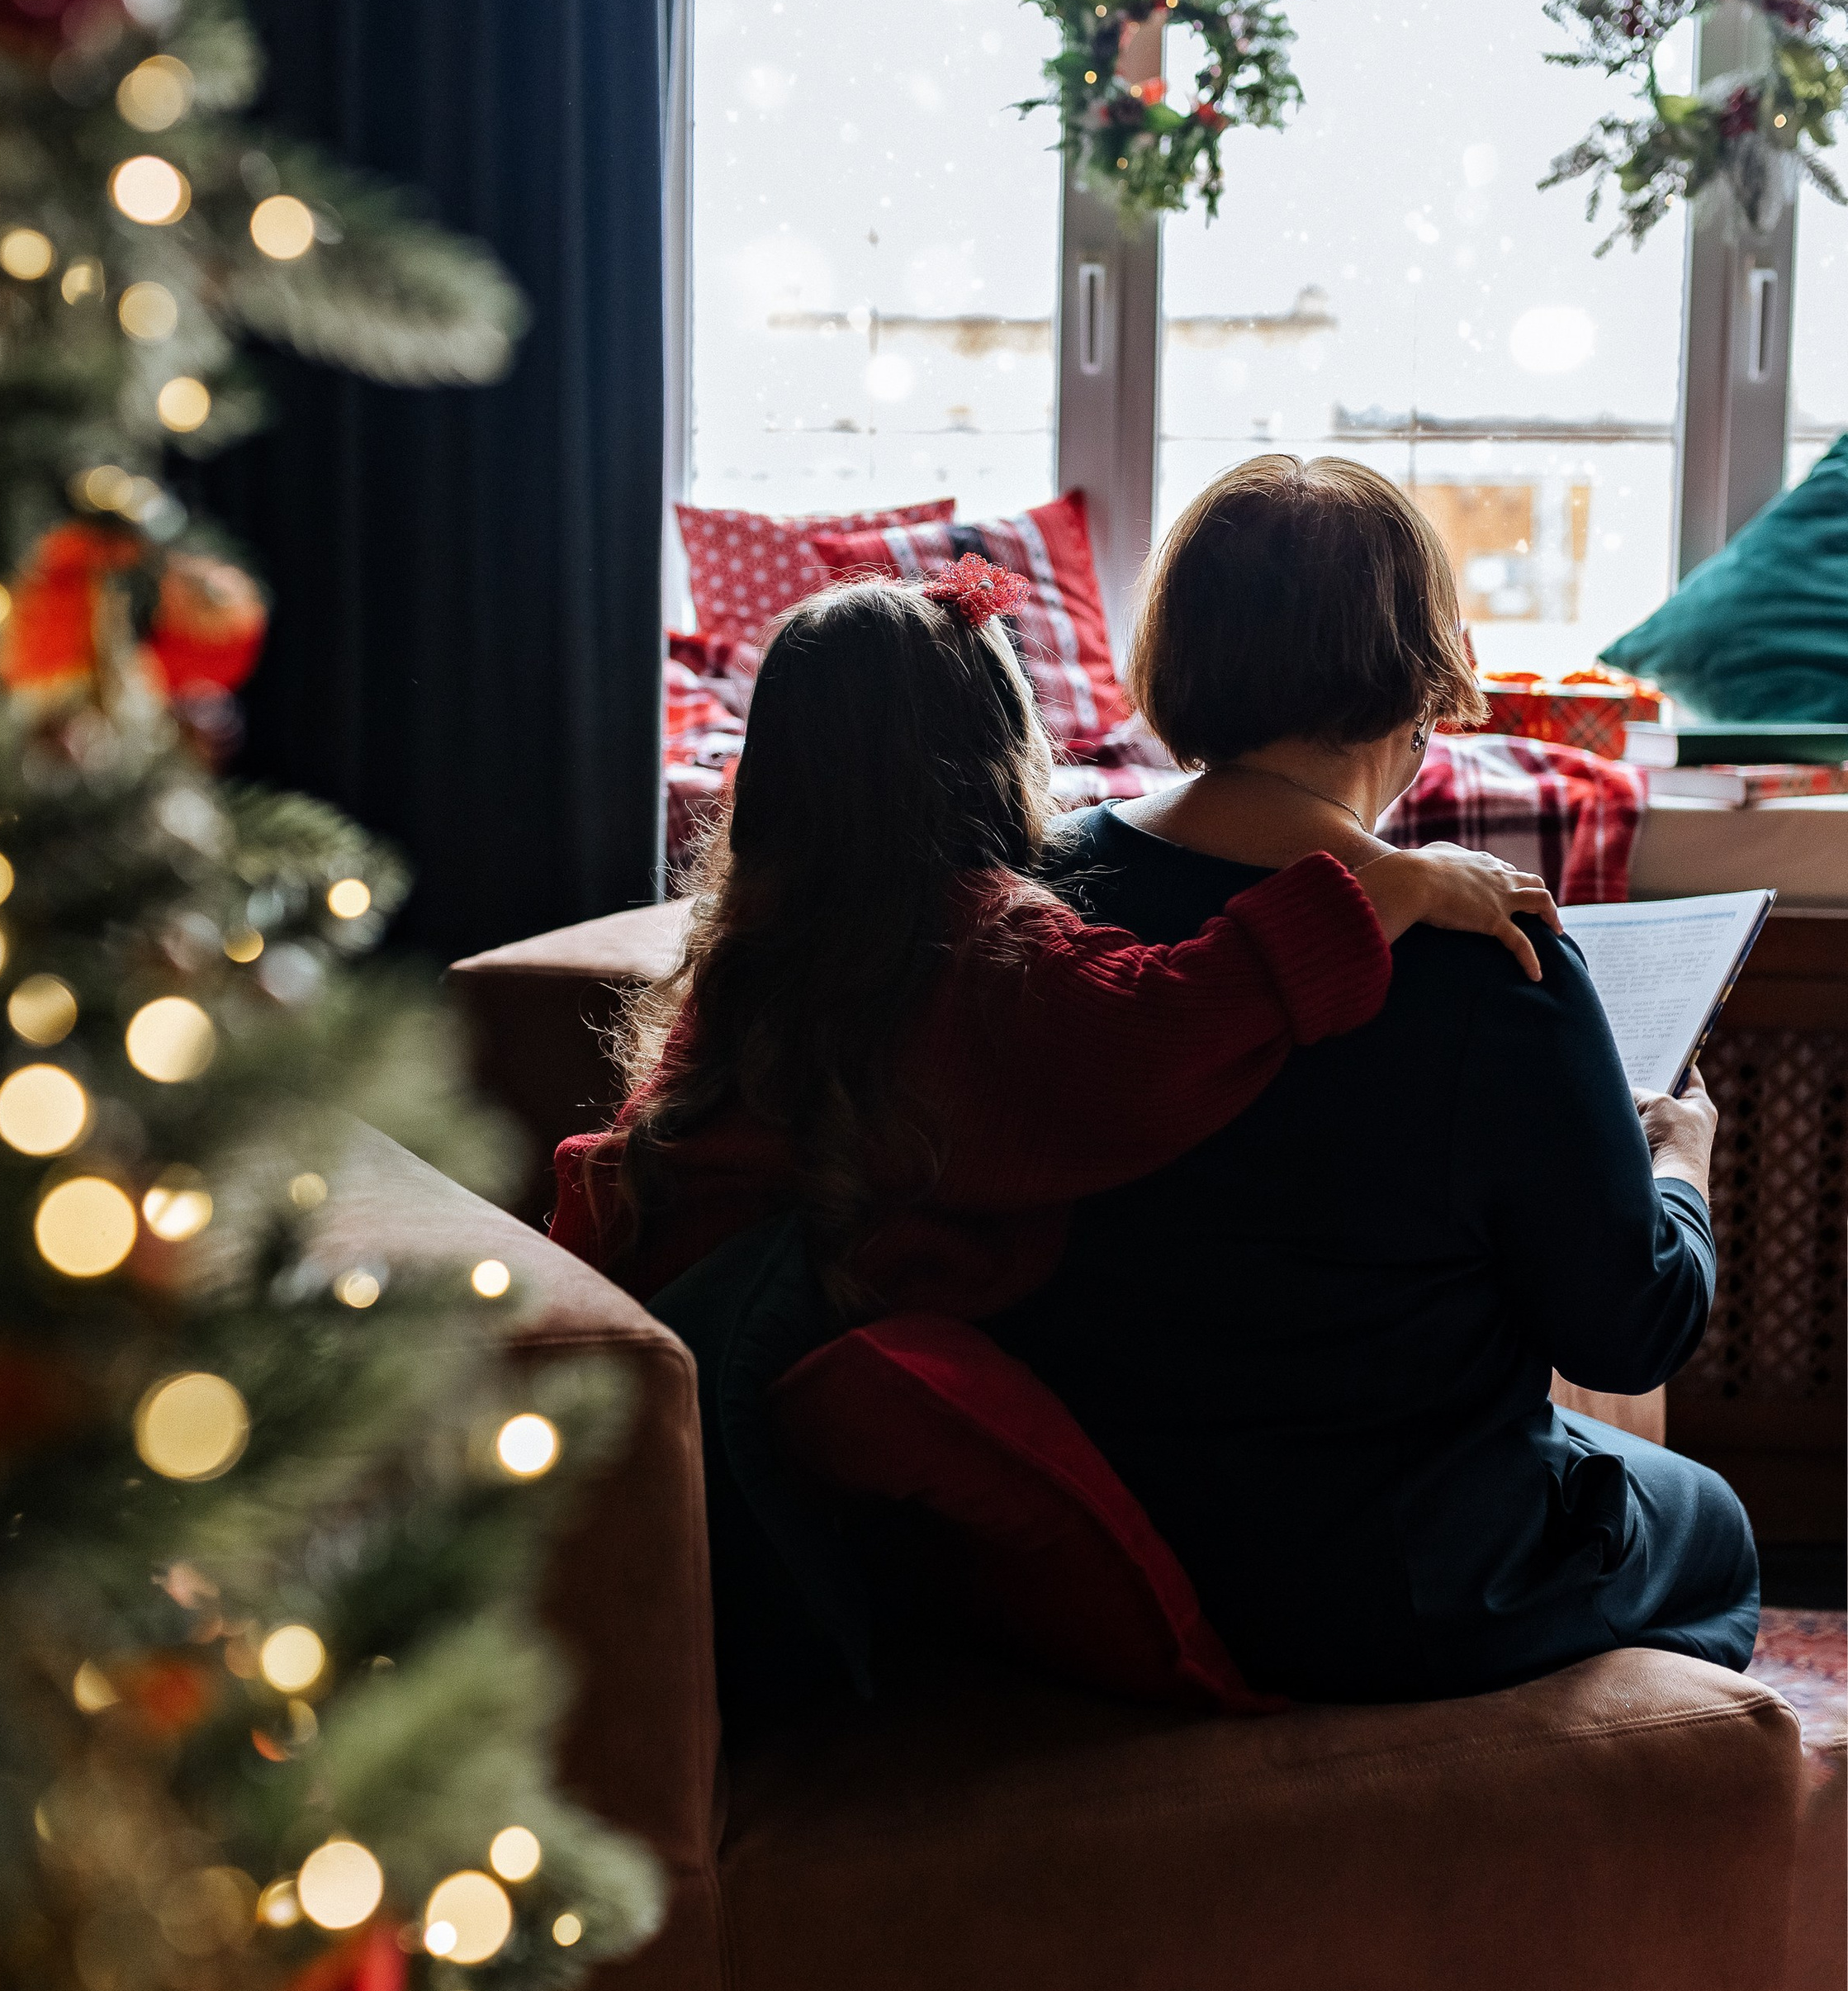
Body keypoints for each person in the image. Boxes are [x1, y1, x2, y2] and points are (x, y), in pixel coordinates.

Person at [997, 454, 1758, 1702]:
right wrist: (1681, 1164)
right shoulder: (1486, 960)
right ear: (1416, 684)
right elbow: (1630, 1332)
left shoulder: (1041, 889)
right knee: (1709, 1527)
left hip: (1085, 1541)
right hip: (1371, 1586)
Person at [552, 557, 1558, 1327]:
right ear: (995, 746)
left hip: (663, 1304)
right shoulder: (989, 941)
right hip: (777, 1361)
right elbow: (1171, 1023)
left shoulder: (765, 933)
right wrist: (1389, 886)